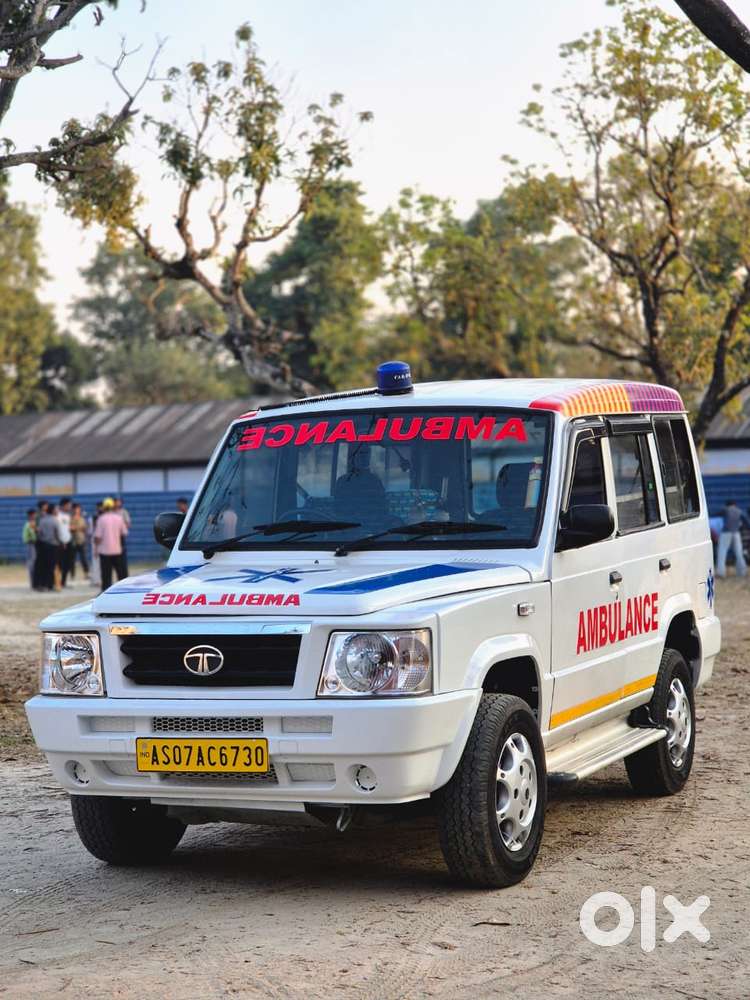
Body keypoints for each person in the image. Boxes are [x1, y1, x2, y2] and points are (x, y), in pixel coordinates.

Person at [94, 497, 128, 591]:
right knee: (121, 574)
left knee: (106, 575)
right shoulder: (119, 518)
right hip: (117, 550)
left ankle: (105, 592)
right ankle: (124, 591)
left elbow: (98, 536)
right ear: (113, 507)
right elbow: (124, 533)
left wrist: (96, 549)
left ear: (104, 507)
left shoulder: (101, 519)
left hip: (105, 552)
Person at [716, 499, 750, 578]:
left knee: (722, 552)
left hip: (726, 532)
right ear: (734, 504)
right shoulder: (739, 511)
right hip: (736, 533)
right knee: (739, 553)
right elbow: (746, 522)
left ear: (727, 504)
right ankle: (742, 572)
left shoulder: (726, 509)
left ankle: (721, 573)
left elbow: (716, 514)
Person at [35, 502, 61, 591]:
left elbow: (39, 533)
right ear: (53, 510)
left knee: (44, 566)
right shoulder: (55, 520)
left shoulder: (42, 520)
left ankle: (43, 585)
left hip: (44, 545)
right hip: (53, 545)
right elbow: (58, 534)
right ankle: (50, 585)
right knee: (52, 566)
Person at [69, 503, 90, 578]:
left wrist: (76, 528)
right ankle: (72, 574)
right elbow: (70, 528)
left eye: (78, 508)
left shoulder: (82, 518)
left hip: (81, 540)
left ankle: (86, 573)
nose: (77, 510)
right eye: (75, 508)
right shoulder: (70, 518)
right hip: (73, 541)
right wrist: (77, 528)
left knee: (83, 558)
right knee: (72, 559)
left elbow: (85, 528)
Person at [57, 497, 73, 587]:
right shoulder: (58, 515)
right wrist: (61, 541)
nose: (70, 506)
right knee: (60, 563)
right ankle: (58, 582)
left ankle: (63, 582)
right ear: (64, 505)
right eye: (68, 505)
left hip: (68, 541)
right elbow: (59, 530)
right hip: (61, 543)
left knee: (67, 563)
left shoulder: (68, 515)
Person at [114, 497, 131, 577]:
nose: (117, 503)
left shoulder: (124, 512)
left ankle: (124, 575)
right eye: (116, 502)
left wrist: (121, 527)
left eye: (119, 502)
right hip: (113, 537)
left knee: (122, 557)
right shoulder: (112, 512)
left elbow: (128, 524)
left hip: (120, 537)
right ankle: (119, 574)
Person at [22, 509, 37, 588]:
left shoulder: (34, 524)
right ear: (31, 515)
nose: (35, 516)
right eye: (34, 514)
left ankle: (35, 582)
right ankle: (33, 583)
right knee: (32, 564)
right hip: (31, 545)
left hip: (34, 545)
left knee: (34, 564)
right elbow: (25, 538)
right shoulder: (28, 525)